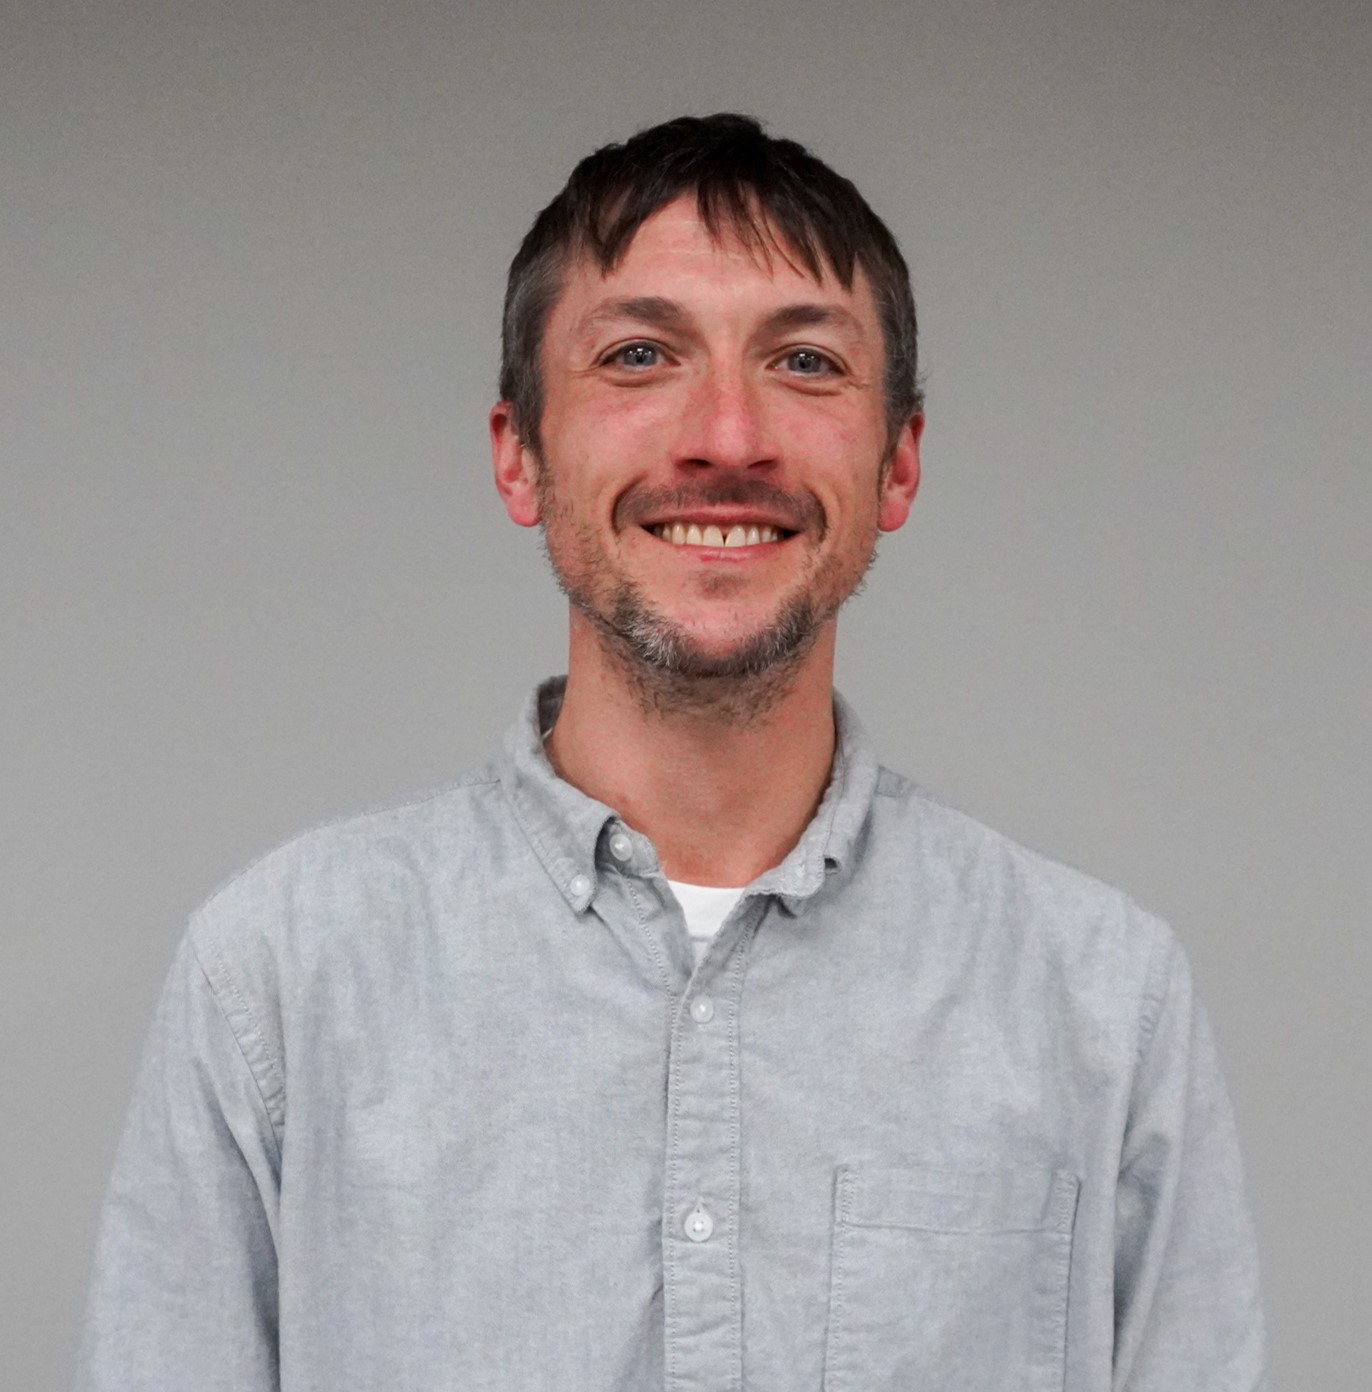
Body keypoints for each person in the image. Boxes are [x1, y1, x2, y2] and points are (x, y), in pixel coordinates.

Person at [76, 113, 1266, 1390]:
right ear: (520, 456)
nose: (728, 438)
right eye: (639, 356)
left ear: (898, 463)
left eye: (805, 362)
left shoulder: (1103, 1002)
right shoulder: (279, 978)